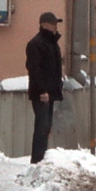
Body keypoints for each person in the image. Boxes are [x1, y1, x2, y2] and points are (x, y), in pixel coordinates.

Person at [26, 11, 64, 164]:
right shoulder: (36, 44)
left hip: (50, 91)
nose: (56, 26)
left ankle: (41, 159)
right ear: (44, 24)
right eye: (53, 23)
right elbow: (34, 69)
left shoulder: (51, 43)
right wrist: (42, 91)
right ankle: (37, 160)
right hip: (42, 93)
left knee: (46, 128)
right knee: (42, 128)